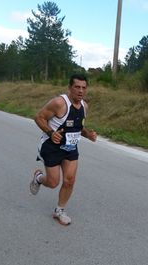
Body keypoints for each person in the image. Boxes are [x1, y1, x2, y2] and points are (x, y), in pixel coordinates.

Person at [30, 73, 97, 226]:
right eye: (77, 87)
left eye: (84, 88)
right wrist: (51, 133)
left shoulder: (84, 106)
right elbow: (39, 117)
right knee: (53, 183)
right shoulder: (59, 103)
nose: (80, 91)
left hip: (70, 148)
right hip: (51, 147)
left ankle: (59, 210)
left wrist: (88, 134)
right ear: (69, 88)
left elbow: (79, 127)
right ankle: (39, 178)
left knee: (69, 180)